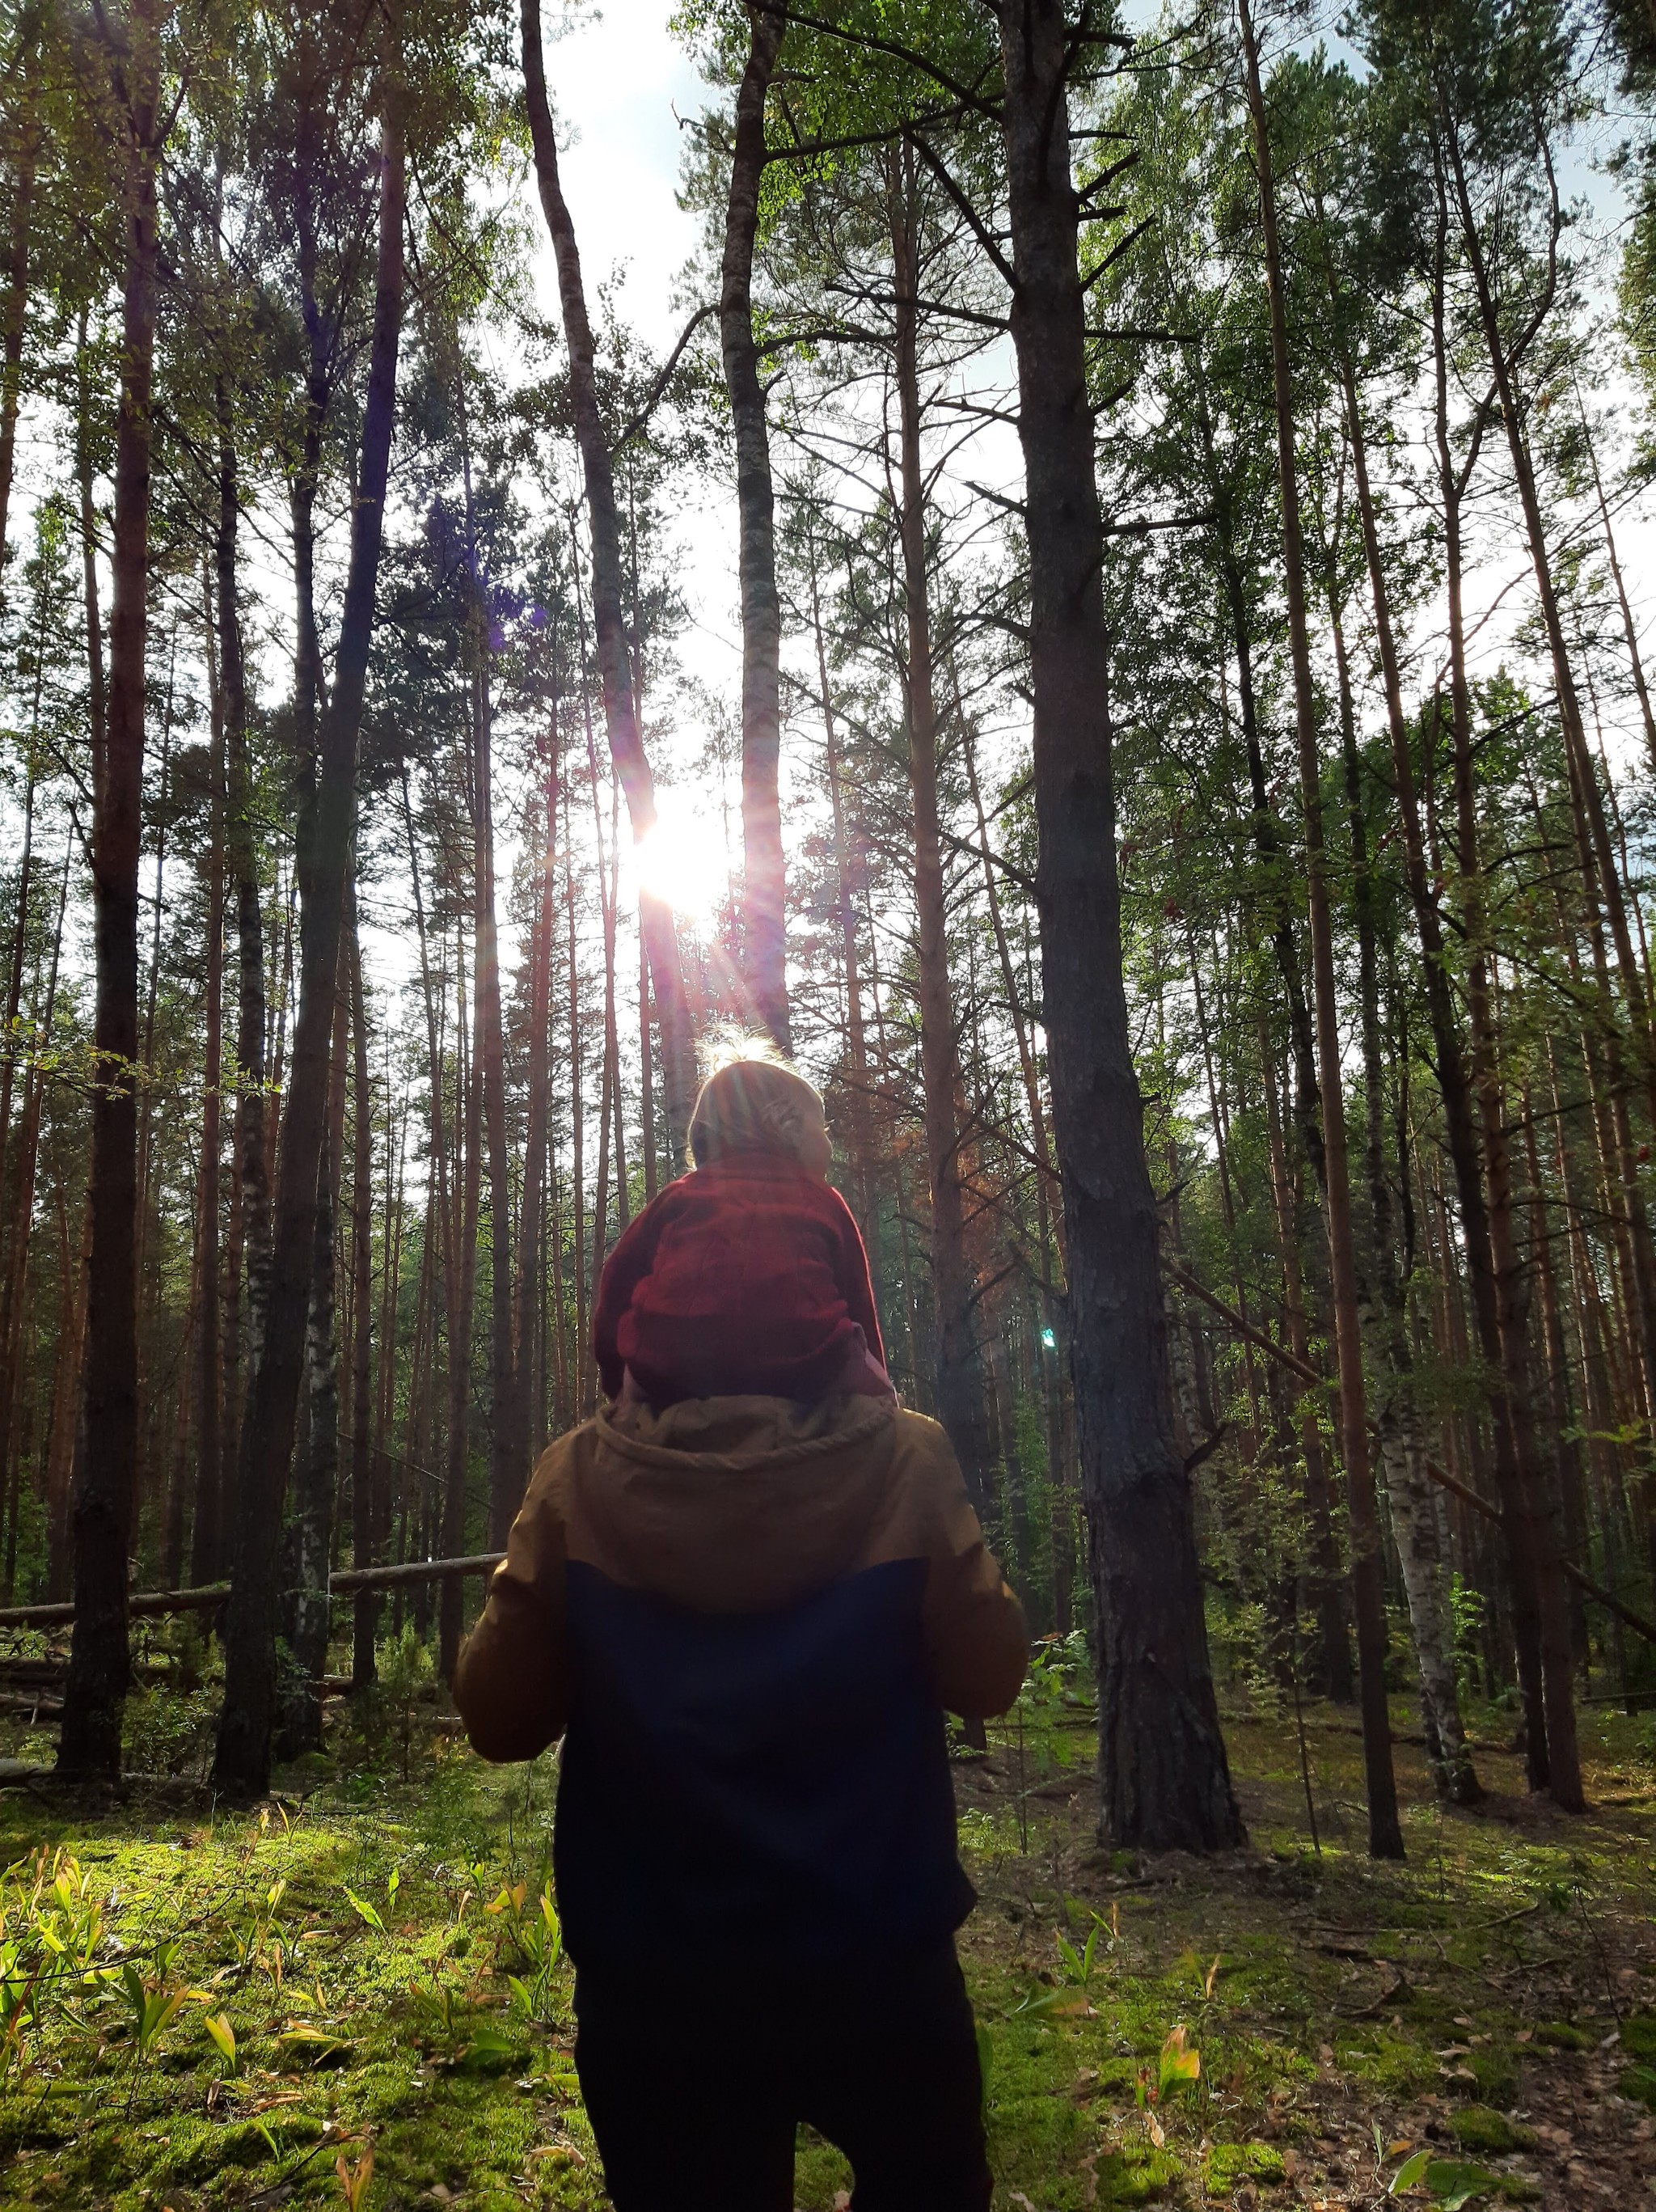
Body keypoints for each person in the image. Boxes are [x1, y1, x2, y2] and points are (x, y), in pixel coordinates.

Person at [454, 1050, 1028, 2212]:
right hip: (879, 1966)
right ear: (829, 1248)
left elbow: (498, 1718)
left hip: (660, 1985)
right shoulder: (905, 1460)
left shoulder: (578, 1479)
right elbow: (992, 1674)